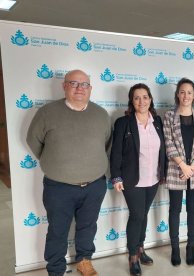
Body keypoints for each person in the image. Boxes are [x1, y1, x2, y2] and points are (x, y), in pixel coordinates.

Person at [26, 70, 111, 276]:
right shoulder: (47, 113)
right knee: (57, 230)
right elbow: (33, 141)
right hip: (59, 188)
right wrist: (56, 162)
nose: (79, 88)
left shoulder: (101, 114)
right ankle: (55, 269)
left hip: (94, 186)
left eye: (84, 85)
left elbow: (106, 144)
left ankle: (84, 261)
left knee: (88, 227)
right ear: (64, 86)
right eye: (74, 83)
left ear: (90, 89)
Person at [110, 83, 166, 276]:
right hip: (132, 179)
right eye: (137, 97)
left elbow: (163, 150)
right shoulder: (123, 123)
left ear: (150, 99)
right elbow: (115, 152)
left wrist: (164, 173)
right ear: (131, 101)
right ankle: (133, 256)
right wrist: (116, 176)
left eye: (145, 97)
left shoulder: (157, 121)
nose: (141, 101)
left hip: (153, 179)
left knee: (143, 214)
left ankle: (141, 248)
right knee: (137, 216)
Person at [163, 78, 194, 266]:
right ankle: (175, 247)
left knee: (192, 210)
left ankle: (190, 247)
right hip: (176, 169)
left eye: (189, 92)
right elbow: (169, 144)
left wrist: (192, 167)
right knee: (175, 210)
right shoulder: (168, 116)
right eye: (182, 92)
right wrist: (183, 166)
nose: (186, 96)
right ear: (177, 94)